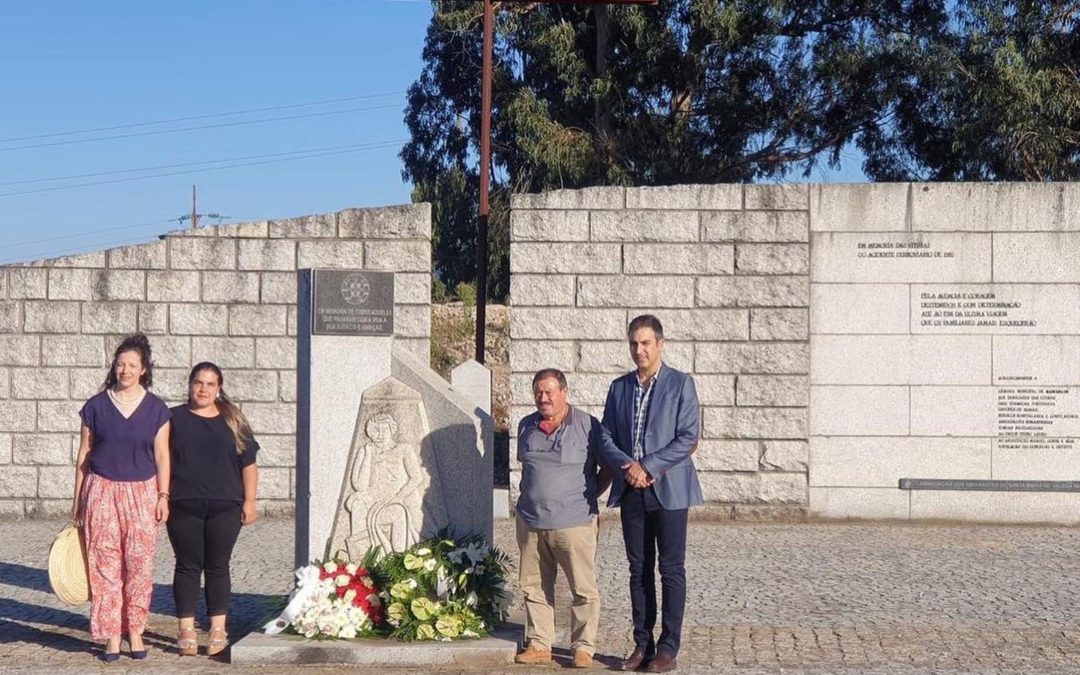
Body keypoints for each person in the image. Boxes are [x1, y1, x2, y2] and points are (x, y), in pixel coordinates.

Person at [598, 315, 702, 673]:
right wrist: (629, 466)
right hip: (631, 491)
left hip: (669, 488)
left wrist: (649, 466)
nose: (639, 350)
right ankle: (643, 643)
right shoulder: (619, 387)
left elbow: (688, 438)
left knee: (671, 569)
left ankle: (668, 647)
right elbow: (605, 437)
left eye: (645, 343)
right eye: (633, 344)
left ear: (660, 344)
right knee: (638, 569)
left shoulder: (681, 385)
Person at [71, 334, 172, 662]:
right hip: (101, 490)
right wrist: (78, 500)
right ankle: (112, 635)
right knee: (105, 564)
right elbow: (84, 454)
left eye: (132, 365)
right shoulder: (96, 406)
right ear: (113, 367)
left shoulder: (157, 409)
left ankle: (136, 630)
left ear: (144, 370)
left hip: (142, 492)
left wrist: (163, 495)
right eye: (120, 364)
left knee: (140, 564)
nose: (125, 370)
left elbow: (162, 456)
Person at [514, 368, 610, 669]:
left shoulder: (588, 426)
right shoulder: (526, 426)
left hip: (575, 522)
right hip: (531, 521)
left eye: (549, 392)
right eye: (538, 392)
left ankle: (583, 647)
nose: (543, 398)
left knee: (582, 588)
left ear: (564, 392)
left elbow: (606, 468)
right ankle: (540, 643)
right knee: (534, 585)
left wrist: (588, 496)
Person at [167, 362, 259, 657]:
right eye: (198, 382)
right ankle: (186, 629)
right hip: (183, 504)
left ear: (219, 388)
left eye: (210, 384)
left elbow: (249, 465)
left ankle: (218, 628)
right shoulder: (173, 418)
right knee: (187, 565)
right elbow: (161, 460)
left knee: (218, 566)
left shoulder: (233, 419)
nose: (203, 389)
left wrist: (250, 501)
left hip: (225, 506)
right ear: (190, 384)